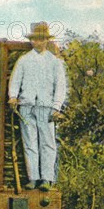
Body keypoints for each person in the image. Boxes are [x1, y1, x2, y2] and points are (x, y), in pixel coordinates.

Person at [8, 22, 67, 192]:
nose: (37, 43)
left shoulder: (54, 62)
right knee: (30, 142)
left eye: (41, 40)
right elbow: (16, 80)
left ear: (46, 41)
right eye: (34, 39)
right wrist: (13, 97)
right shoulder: (24, 60)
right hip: (26, 106)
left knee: (48, 143)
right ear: (31, 40)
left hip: (45, 107)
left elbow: (60, 86)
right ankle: (33, 178)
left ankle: (47, 179)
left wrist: (56, 107)